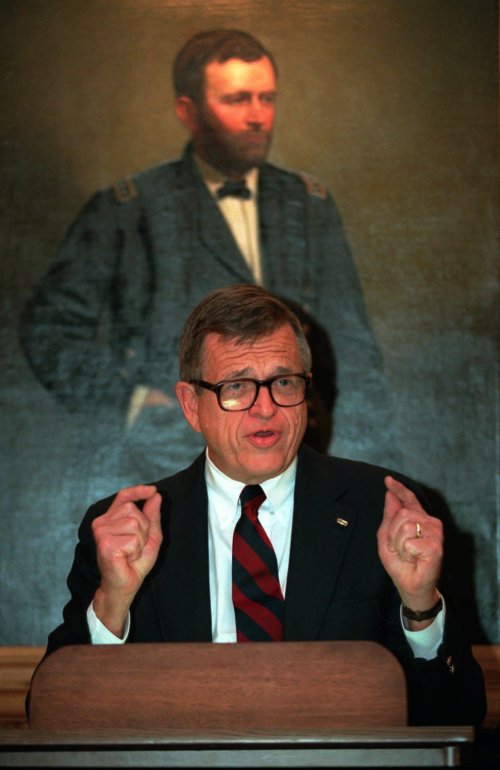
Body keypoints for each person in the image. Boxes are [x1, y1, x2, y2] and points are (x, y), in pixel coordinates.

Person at [42, 284, 486, 727]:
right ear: (191, 405)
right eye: (237, 387)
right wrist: (112, 603)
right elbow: (53, 716)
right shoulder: (129, 527)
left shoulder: (381, 509)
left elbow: (455, 715)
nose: (265, 408)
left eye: (283, 383)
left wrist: (420, 605)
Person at [19, 28, 400, 485]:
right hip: (166, 466)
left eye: (267, 98)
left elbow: (355, 355)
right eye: (238, 100)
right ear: (189, 113)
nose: (259, 117)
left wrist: (376, 475)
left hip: (300, 466)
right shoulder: (128, 208)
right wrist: (133, 403)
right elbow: (49, 330)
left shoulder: (309, 204)